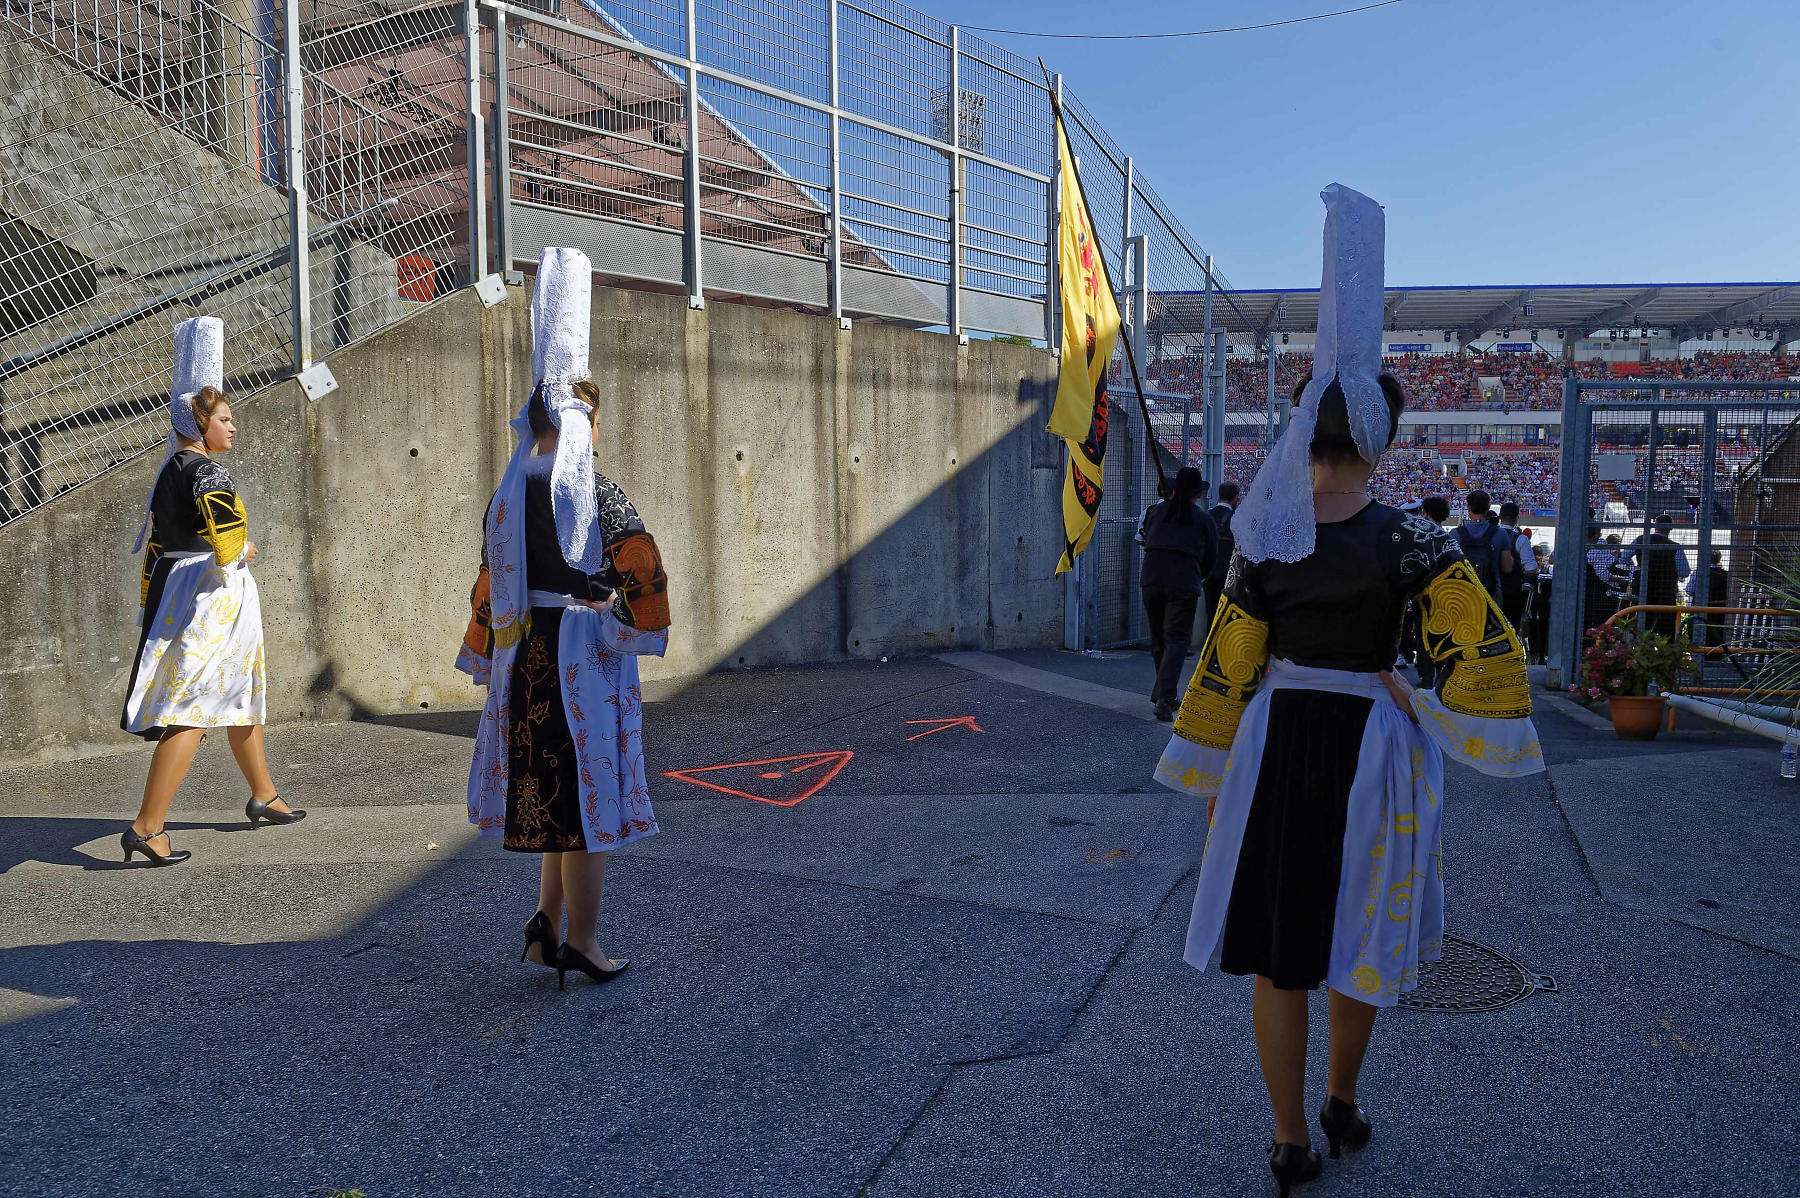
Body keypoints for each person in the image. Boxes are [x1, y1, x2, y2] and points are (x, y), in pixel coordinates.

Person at [1150, 186, 1541, 1197]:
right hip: (1370, 737)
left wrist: (1208, 772)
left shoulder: (1258, 536)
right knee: (1357, 938)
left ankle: (1289, 1141)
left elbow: (1225, 659)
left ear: (1303, 432)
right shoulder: (1415, 538)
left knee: (1280, 949)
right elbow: (1484, 648)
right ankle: (1342, 1100)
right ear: (1379, 437)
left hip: (1276, 735)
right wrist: (1428, 704)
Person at [460, 248, 673, 989]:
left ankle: (546, 923)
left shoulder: (507, 492)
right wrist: (627, 623)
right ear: (586, 416)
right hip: (583, 659)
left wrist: (490, 652)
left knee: (557, 791)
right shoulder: (599, 493)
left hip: (526, 660)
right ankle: (583, 939)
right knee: (590, 798)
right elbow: (638, 576)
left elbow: (490, 579)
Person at [119, 317, 302, 867]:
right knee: (192, 708)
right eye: (225, 418)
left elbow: (159, 546)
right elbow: (228, 546)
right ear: (199, 422)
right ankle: (148, 826)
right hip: (212, 596)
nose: (233, 427)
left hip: (184, 588)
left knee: (242, 692)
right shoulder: (208, 473)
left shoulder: (171, 469)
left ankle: (264, 795)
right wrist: (244, 550)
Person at [1140, 466, 1218, 723]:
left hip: (1152, 578)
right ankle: (1164, 698)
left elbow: (1148, 539)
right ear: (1197, 493)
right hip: (1183, 581)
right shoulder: (1203, 519)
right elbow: (1210, 558)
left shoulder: (1156, 512)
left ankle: (1164, 693)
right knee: (1177, 639)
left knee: (1159, 639)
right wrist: (1199, 575)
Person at [1620, 513, 1690, 638]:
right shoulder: (1675, 547)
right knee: (1666, 626)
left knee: (1643, 622)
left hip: (1644, 589)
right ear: (1670, 528)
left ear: (1654, 526)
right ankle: (1666, 651)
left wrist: (1636, 569)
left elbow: (1624, 557)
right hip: (1666, 591)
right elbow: (1684, 572)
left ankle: (1641, 649)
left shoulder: (1641, 539)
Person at [1453, 490, 1509, 603]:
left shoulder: (1455, 534)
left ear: (1468, 507)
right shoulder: (1501, 534)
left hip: (1462, 595)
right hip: (1492, 594)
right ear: (1488, 507)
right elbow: (1507, 567)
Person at [1494, 501, 1540, 633]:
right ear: (1516, 518)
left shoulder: (1489, 535)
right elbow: (1531, 569)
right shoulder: (1521, 539)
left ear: (1500, 517)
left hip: (1488, 590)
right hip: (1511, 593)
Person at [1203, 481, 1241, 630]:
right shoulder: (1236, 518)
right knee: (1226, 611)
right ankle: (1222, 646)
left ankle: (1209, 645)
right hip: (1228, 572)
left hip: (1208, 570)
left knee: (1210, 610)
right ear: (1235, 499)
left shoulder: (1206, 515)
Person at [1684, 548, 1730, 646]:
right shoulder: (1726, 575)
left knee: (1696, 636)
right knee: (1716, 638)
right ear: (1719, 559)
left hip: (1699, 609)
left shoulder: (1699, 573)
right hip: (1719, 612)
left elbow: (1689, 590)